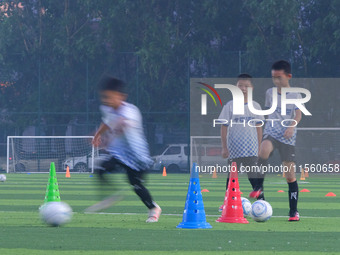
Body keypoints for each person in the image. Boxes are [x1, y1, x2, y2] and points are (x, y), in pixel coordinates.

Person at [88, 75, 161, 223]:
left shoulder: (130, 111)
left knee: (135, 185)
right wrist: (98, 135)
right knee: (100, 169)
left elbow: (123, 123)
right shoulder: (107, 109)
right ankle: (110, 196)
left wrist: (111, 137)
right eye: (104, 97)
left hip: (137, 158)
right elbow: (107, 121)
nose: (106, 100)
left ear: (122, 97)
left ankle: (154, 208)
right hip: (119, 154)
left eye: (110, 97)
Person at [256, 60, 301, 221]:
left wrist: (291, 126)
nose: (276, 81)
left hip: (288, 137)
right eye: (273, 78)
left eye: (279, 77)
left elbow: (298, 114)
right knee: (263, 150)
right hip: (272, 132)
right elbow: (268, 111)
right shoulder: (270, 93)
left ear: (288, 76)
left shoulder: (295, 94)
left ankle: (293, 212)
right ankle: (258, 188)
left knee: (290, 175)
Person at [218, 73, 264, 211]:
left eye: (246, 86)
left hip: (251, 148)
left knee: (253, 177)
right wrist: (224, 148)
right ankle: (227, 203)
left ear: (252, 88)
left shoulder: (255, 106)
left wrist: (260, 147)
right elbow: (223, 127)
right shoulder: (229, 106)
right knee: (231, 178)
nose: (243, 88)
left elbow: (259, 128)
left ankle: (262, 202)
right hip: (234, 149)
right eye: (240, 86)